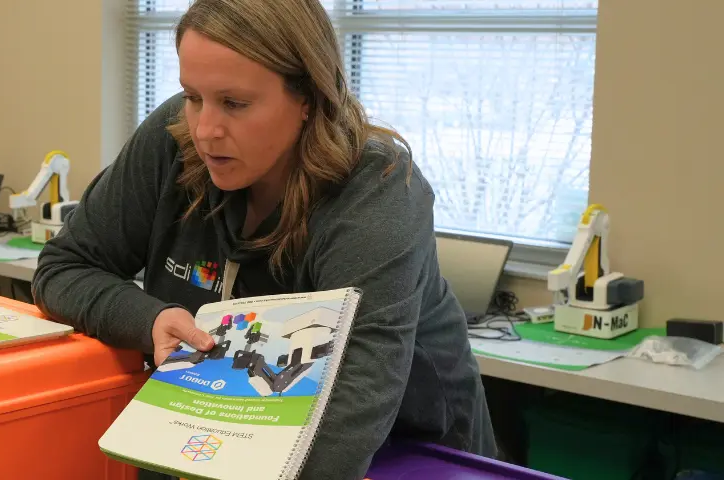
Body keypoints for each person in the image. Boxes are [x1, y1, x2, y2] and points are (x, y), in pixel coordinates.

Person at [31, 0, 497, 478]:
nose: (206, 130)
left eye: (235, 103)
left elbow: (352, 402)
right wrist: (149, 318)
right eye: (194, 96)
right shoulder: (176, 137)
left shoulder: (377, 192)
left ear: (309, 100)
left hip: (401, 452)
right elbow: (64, 267)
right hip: (234, 429)